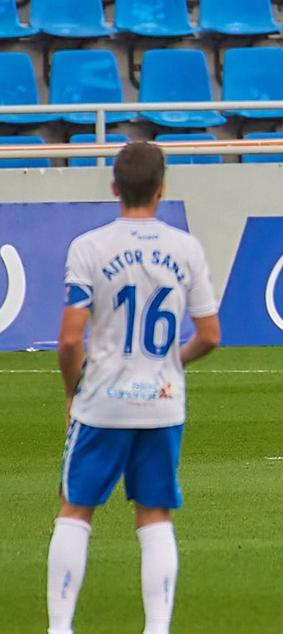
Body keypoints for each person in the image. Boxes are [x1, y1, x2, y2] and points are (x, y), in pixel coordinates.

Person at [48, 141, 221, 634]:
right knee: (154, 513)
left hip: (102, 401)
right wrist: (173, 362)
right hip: (161, 403)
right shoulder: (185, 248)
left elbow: (68, 338)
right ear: (162, 189)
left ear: (114, 188)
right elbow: (210, 334)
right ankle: (157, 628)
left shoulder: (89, 247)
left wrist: (71, 391)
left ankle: (60, 627)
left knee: (75, 506)